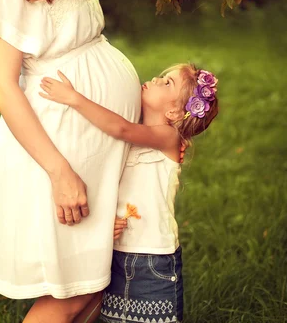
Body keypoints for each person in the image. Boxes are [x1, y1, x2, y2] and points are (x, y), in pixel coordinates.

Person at [0, 0, 142, 323]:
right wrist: (59, 172)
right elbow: (1, 85)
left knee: (96, 281)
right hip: (59, 148)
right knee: (70, 292)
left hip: (93, 144)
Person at [39, 63, 219, 323]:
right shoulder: (140, 133)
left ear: (174, 111)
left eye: (167, 83)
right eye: (162, 76)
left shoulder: (167, 137)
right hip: (117, 250)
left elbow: (120, 128)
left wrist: (74, 98)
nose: (156, 79)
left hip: (152, 260)